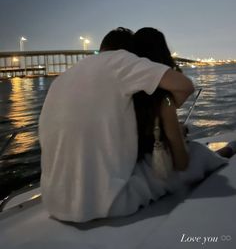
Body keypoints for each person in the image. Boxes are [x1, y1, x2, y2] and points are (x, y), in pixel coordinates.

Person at [39, 27, 194, 223]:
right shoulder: (121, 61)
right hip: (107, 203)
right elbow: (185, 86)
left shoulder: (65, 76)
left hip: (53, 203)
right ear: (129, 52)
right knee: (191, 158)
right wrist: (168, 105)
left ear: (102, 47)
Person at [133, 27, 235, 193]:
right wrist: (176, 134)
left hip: (137, 169)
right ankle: (229, 149)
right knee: (202, 152)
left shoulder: (124, 96)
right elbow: (182, 163)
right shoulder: (163, 101)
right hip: (162, 173)